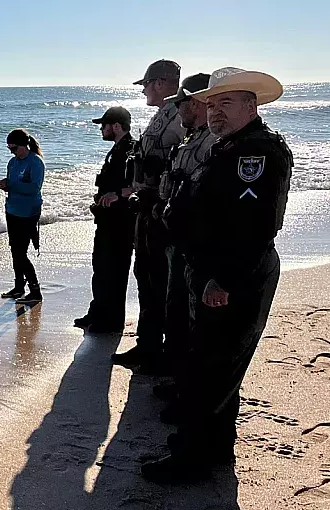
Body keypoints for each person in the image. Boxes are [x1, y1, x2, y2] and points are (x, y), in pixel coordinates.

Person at [141, 68, 293, 484]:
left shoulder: (256, 154)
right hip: (211, 268)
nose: (215, 113)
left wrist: (221, 280)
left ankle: (193, 458)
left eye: (226, 103)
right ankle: (213, 449)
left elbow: (253, 227)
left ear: (251, 105)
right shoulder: (231, 147)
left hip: (231, 274)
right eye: (211, 105)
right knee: (214, 366)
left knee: (210, 368)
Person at [112, 59, 186, 374]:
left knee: (159, 282)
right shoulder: (163, 116)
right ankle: (148, 344)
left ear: (158, 82)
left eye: (145, 85)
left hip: (160, 209)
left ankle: (159, 351)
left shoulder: (179, 116)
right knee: (147, 277)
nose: (144, 91)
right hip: (147, 207)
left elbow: (183, 164)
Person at [153, 73, 215, 409]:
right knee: (175, 311)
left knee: (192, 320)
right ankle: (178, 381)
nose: (179, 108)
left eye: (183, 102)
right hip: (178, 238)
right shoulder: (192, 138)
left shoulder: (211, 143)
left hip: (193, 243)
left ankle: (187, 392)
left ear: (199, 101)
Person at [74, 106, 136, 333]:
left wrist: (117, 194)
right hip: (107, 221)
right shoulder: (117, 150)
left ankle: (111, 320)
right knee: (101, 267)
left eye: (104, 125)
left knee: (115, 270)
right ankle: (97, 312)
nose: (102, 129)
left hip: (120, 222)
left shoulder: (131, 150)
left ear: (116, 126)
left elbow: (138, 183)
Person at [0, 129, 45, 303]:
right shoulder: (12, 163)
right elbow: (13, 185)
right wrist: (4, 185)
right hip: (12, 210)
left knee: (20, 253)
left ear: (24, 145)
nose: (12, 152)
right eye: (9, 149)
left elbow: (34, 188)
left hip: (29, 212)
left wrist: (12, 185)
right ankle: (18, 287)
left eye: (14, 148)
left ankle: (35, 290)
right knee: (15, 251)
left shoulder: (36, 162)